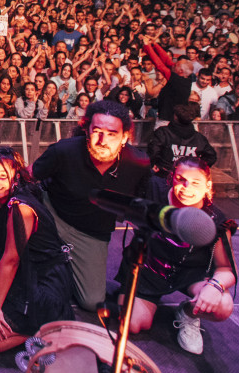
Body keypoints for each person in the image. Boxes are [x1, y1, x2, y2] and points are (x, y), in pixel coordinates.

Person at [31, 100, 150, 310]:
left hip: (91, 233)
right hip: (52, 215)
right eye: (97, 131)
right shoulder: (63, 151)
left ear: (124, 137)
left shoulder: (138, 164)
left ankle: (63, 266)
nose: (102, 140)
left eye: (112, 133)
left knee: (92, 302)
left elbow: (146, 202)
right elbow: (29, 175)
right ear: (87, 130)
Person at [0, 146, 74, 353]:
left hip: (44, 282)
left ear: (14, 176)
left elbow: (11, 259)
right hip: (26, 271)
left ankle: (47, 329)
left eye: (2, 176)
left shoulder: (20, 208)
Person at [121, 157, 237, 355]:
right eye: (180, 179)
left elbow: (227, 270)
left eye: (195, 182)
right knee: (133, 325)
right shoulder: (152, 192)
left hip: (188, 273)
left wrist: (215, 286)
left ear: (208, 185)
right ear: (171, 179)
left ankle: (188, 314)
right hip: (148, 268)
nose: (186, 187)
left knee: (223, 304)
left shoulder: (215, 220)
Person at [147, 103, 218, 186]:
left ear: (175, 116)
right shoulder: (199, 138)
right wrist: (197, 168)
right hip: (186, 181)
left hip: (164, 177)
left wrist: (154, 165)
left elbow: (153, 153)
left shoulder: (162, 133)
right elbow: (211, 156)